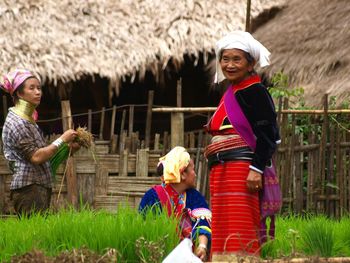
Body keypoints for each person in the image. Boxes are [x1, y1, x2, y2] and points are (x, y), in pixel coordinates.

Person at [204, 31, 282, 259]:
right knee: (223, 222)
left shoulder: (255, 91)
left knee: (242, 221)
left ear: (251, 64)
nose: (229, 65)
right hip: (223, 169)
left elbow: (268, 135)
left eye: (236, 59)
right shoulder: (233, 92)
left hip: (242, 169)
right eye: (225, 59)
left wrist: (256, 169)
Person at [1, 69, 79, 216]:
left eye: (39, 88)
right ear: (19, 93)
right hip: (29, 189)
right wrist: (62, 139)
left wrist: (68, 148)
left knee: (38, 235)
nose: (38, 92)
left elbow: (46, 158)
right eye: (32, 88)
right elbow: (36, 157)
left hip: (37, 186)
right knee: (32, 236)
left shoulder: (28, 121)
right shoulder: (18, 123)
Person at [139, 146, 212, 261]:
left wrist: (202, 246)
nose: (195, 174)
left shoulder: (194, 197)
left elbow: (203, 222)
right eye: (193, 169)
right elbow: (145, 230)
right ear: (183, 174)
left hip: (190, 257)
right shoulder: (152, 197)